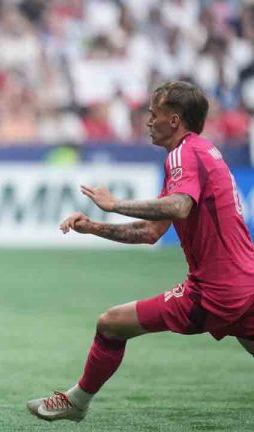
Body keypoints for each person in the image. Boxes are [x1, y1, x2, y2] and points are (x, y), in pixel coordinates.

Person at [27, 80, 254, 422]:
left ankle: (77, 401)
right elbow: (151, 232)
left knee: (111, 324)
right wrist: (93, 227)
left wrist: (114, 204)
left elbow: (176, 207)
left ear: (174, 120)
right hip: (246, 281)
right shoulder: (199, 152)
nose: (148, 121)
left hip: (215, 291)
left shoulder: (184, 153)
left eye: (153, 113)